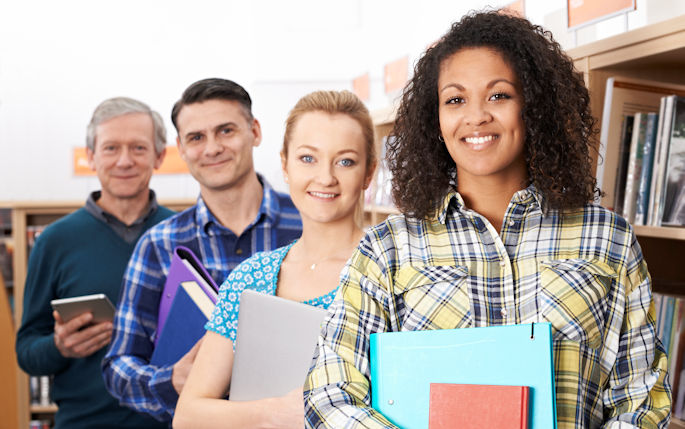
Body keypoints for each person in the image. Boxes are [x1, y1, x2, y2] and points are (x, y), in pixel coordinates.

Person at [304, 10, 671, 429]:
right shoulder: (388, 248)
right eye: (455, 99)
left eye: (499, 95)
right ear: (434, 118)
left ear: (534, 104)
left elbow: (642, 404)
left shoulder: (607, 240)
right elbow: (330, 395)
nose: (476, 116)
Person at [172, 90, 377, 429]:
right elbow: (189, 415)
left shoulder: (389, 272)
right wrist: (275, 413)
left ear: (368, 173)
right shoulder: (251, 277)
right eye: (308, 158)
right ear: (285, 165)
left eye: (345, 161)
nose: (325, 177)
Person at [102, 78, 302, 422]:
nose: (212, 149)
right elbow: (118, 366)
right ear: (180, 147)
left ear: (254, 131)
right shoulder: (159, 245)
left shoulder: (306, 223)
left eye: (226, 131)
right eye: (196, 138)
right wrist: (171, 380)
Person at [15, 97, 174, 429]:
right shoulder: (54, 241)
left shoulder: (184, 236)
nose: (125, 161)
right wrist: (59, 346)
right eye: (111, 148)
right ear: (91, 156)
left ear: (159, 156)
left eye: (139, 148)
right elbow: (27, 351)